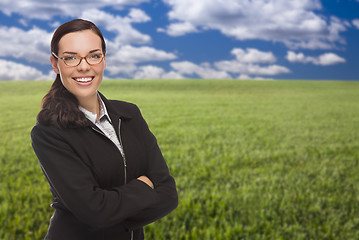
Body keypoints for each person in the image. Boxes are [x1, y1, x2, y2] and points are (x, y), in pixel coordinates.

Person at [31, 19, 178, 240]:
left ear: (104, 59)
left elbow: (168, 194)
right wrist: (144, 186)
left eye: (94, 55)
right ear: (55, 64)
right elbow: (94, 212)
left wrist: (110, 214)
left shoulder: (130, 115)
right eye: (70, 57)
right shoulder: (49, 133)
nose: (84, 66)